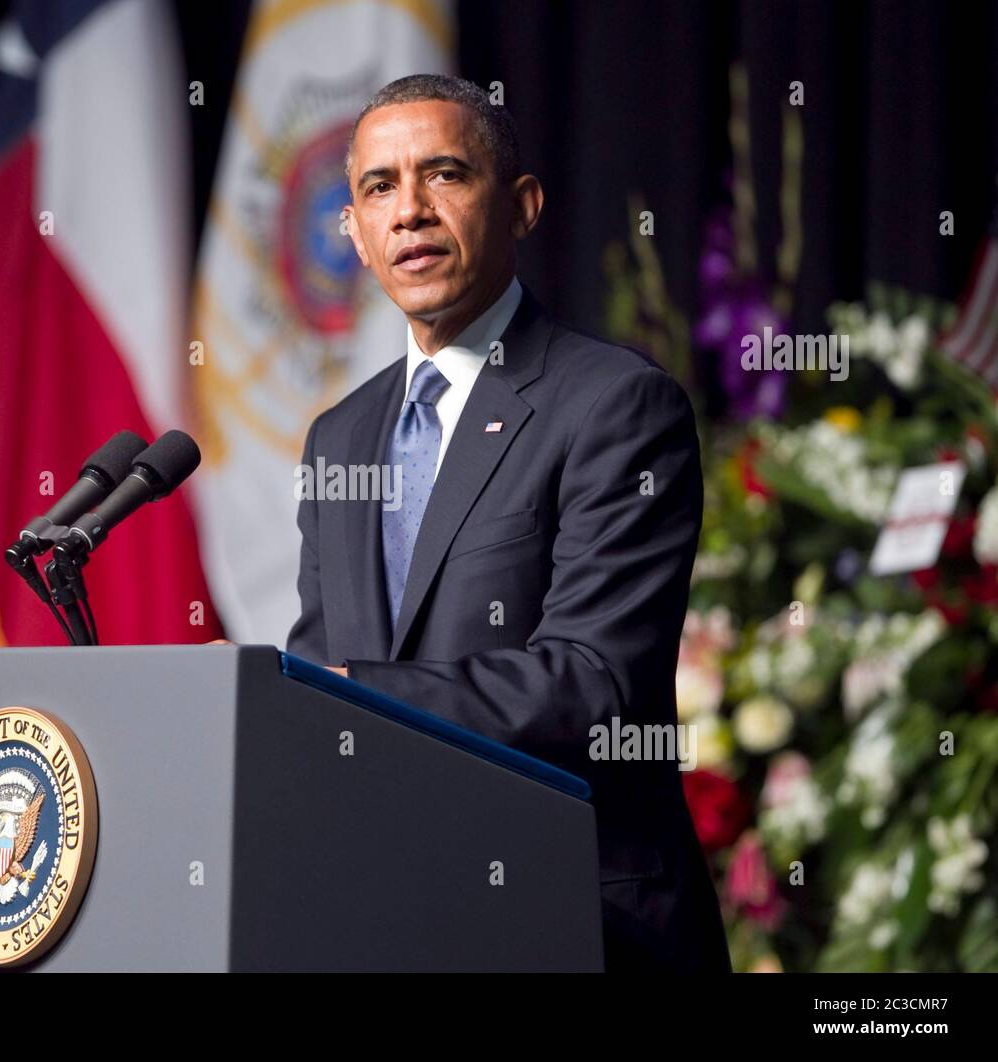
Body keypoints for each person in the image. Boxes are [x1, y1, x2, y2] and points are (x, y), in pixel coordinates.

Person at [286, 73, 730, 972]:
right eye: (378, 187)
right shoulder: (340, 436)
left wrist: (341, 690)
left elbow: (594, 683)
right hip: (392, 926)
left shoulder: (614, 406)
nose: (408, 210)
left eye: (443, 175)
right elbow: (320, 681)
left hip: (580, 925)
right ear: (359, 239)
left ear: (522, 206)